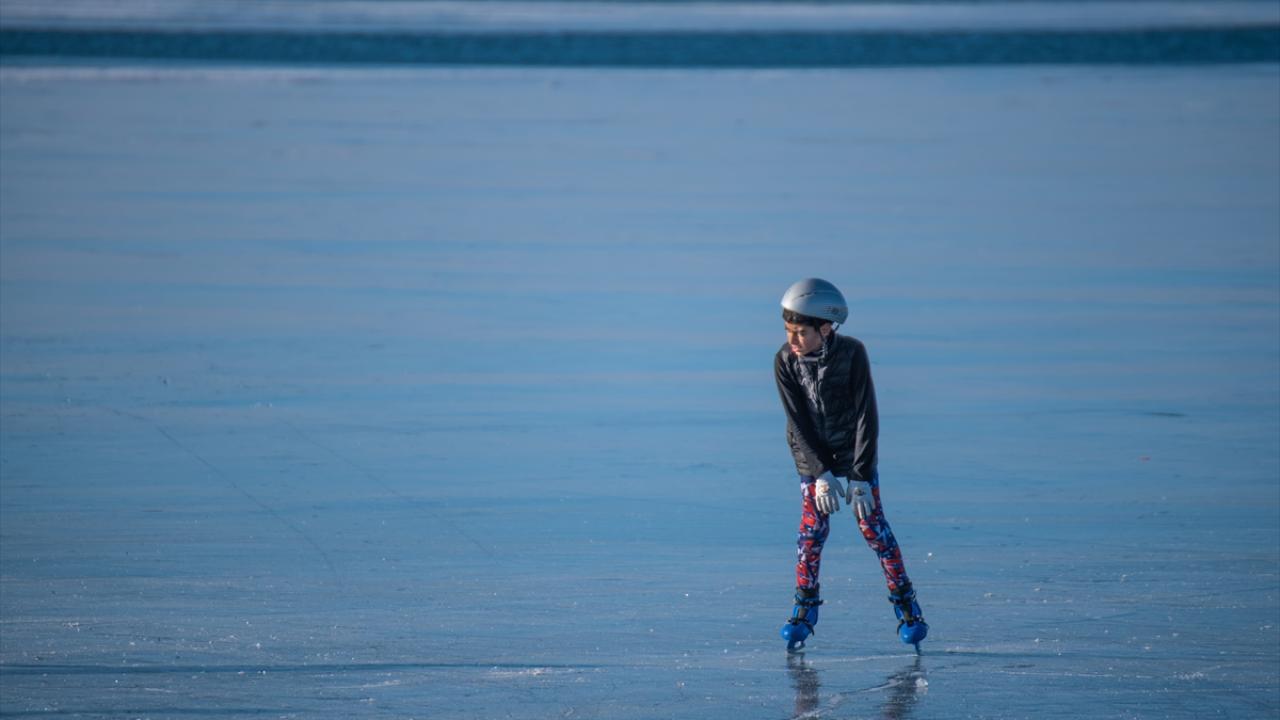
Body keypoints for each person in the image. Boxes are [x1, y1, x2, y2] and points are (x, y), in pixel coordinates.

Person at [774, 278, 928, 652]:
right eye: (788, 332)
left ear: (825, 328)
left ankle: (906, 605)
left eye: (801, 333)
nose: (792, 341)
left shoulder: (853, 354)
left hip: (853, 453)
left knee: (873, 528)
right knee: (811, 534)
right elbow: (797, 421)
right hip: (812, 459)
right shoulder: (784, 362)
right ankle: (804, 606)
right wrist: (820, 474)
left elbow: (865, 417)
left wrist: (859, 476)